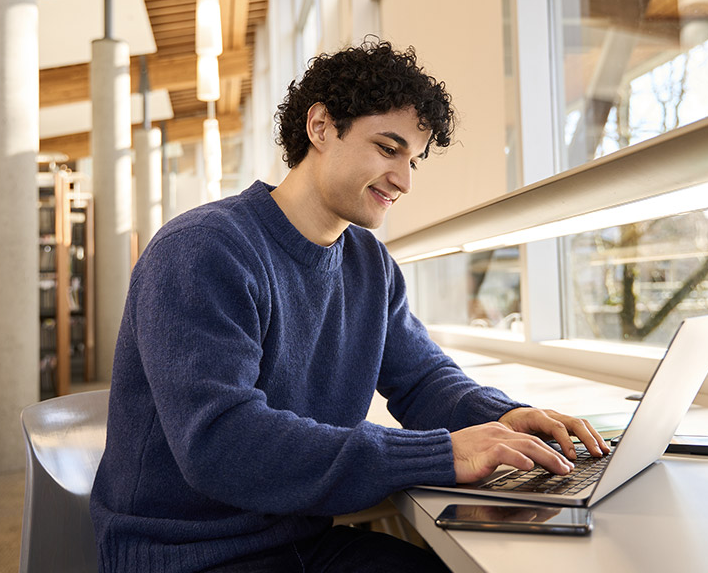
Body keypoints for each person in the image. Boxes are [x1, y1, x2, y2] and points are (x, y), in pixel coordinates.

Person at [90, 39, 610, 573]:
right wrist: (441, 453)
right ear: (320, 127)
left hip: (299, 542)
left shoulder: (368, 263)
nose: (404, 180)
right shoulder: (202, 249)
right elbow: (221, 443)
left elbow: (422, 379)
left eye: (412, 160)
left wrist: (506, 419)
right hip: (186, 556)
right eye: (388, 149)